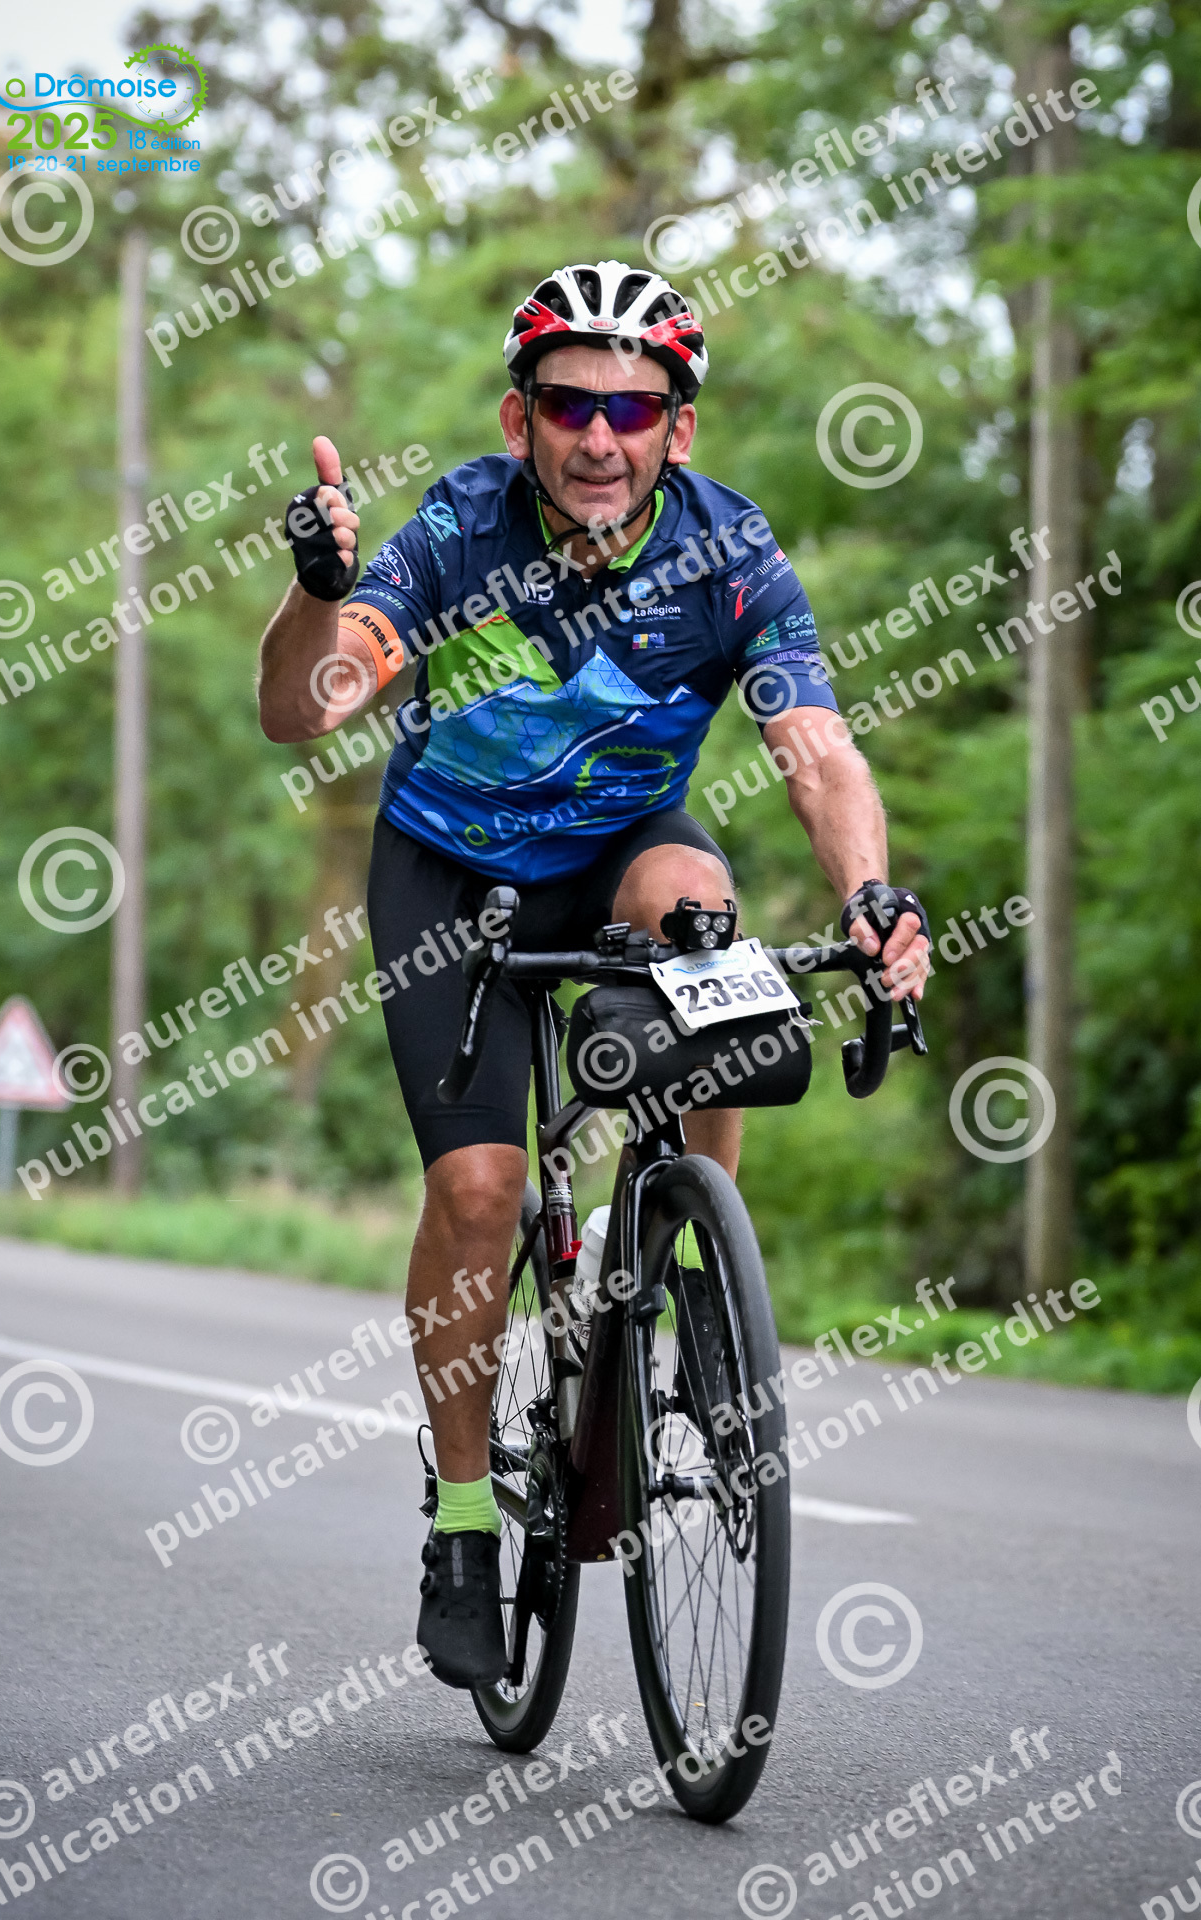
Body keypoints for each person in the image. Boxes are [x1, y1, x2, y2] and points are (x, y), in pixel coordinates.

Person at [257, 260, 931, 1688]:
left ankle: (693, 1273)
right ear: (522, 420)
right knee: (479, 1192)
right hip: (454, 874)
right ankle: (460, 1523)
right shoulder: (461, 528)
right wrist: (316, 596)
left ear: (679, 428)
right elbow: (305, 706)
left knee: (710, 926)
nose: (601, 436)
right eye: (571, 404)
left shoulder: (729, 552)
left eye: (634, 408)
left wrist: (872, 899)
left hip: (626, 844)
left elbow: (817, 750)